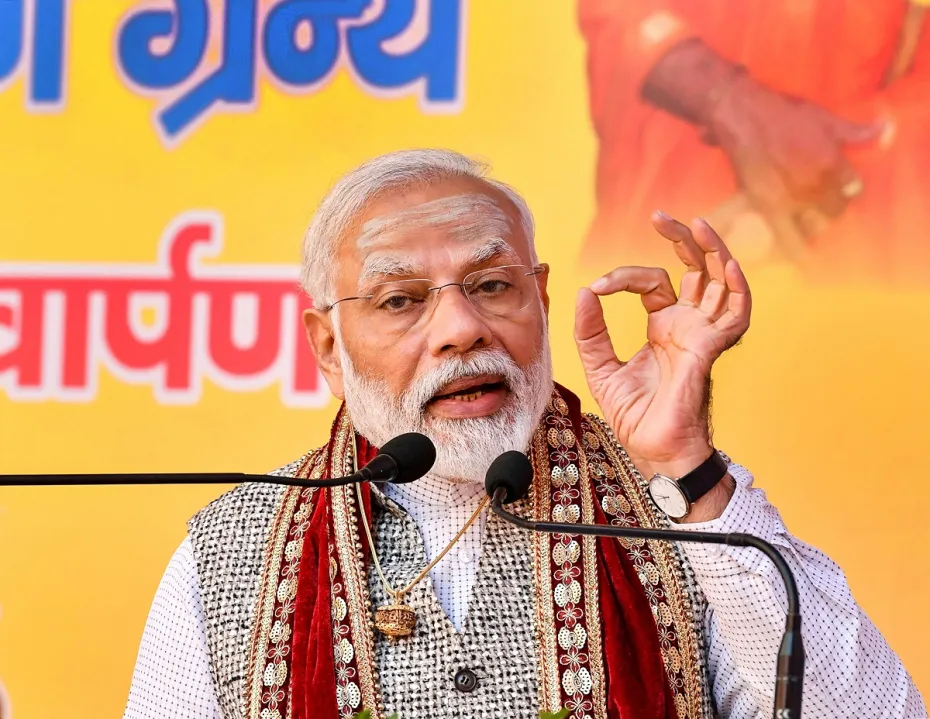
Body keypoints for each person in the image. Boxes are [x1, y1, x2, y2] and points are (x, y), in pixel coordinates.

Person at [123, 149, 924, 719]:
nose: (461, 328)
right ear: (329, 347)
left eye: (491, 284)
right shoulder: (229, 550)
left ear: (539, 299)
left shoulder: (680, 506)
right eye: (401, 300)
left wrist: (684, 460)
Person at [578, 0, 930, 286]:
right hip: (664, 239)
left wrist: (838, 157)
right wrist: (724, 98)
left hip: (857, 245)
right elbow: (619, 14)